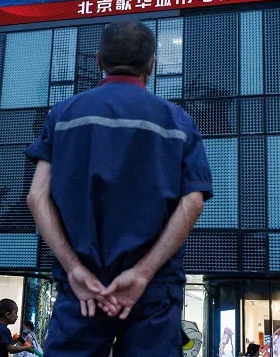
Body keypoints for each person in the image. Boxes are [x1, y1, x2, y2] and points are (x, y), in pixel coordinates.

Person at [26, 19, 212, 357]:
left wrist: (74, 269)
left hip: (83, 288)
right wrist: (143, 272)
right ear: (152, 65)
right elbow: (193, 202)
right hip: (151, 293)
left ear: (99, 61)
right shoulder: (178, 122)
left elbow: (36, 197)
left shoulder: (63, 116)